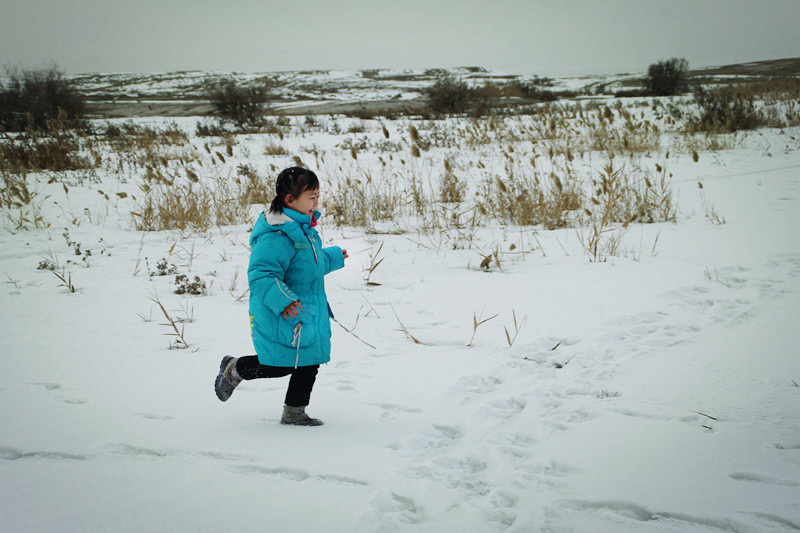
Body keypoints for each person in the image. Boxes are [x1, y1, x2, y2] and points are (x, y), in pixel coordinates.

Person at [214, 167, 348, 426]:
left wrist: (331, 257)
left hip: (305, 312)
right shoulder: (277, 234)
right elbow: (262, 274)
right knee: (278, 365)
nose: (316, 203)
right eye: (311, 197)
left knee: (309, 362)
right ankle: (236, 368)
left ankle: (295, 413)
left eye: (318, 196)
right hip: (281, 312)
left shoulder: (303, 229)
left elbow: (306, 268)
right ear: (289, 199)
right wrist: (283, 300)